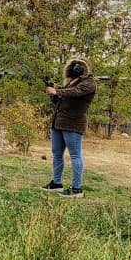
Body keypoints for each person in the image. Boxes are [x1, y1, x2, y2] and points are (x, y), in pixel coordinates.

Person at [42, 56, 97, 198]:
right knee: (56, 153)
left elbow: (76, 92)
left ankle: (76, 188)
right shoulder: (71, 82)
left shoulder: (89, 83)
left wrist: (57, 91)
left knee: (75, 155)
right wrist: (55, 95)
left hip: (73, 123)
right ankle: (56, 183)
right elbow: (62, 100)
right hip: (58, 122)